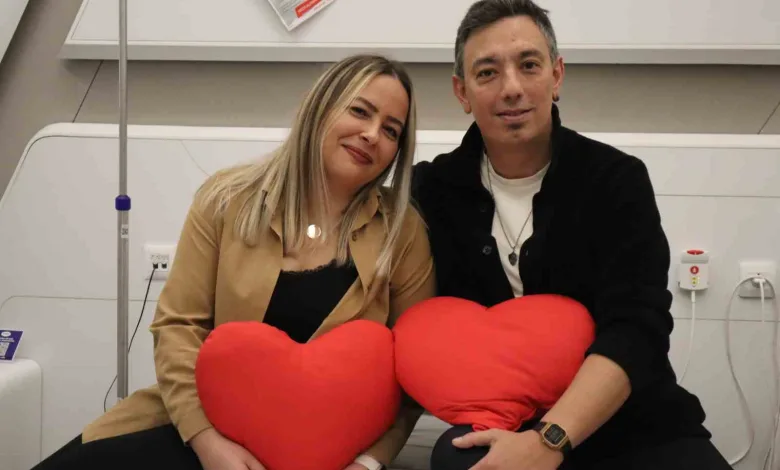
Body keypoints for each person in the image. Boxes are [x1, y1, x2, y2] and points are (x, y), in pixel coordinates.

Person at [31, 54, 434, 470]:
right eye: (360, 111)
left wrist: (369, 463)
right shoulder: (227, 200)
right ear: (321, 106)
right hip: (202, 427)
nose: (372, 134)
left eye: (391, 130)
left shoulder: (403, 232)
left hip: (331, 451)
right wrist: (207, 442)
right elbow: (178, 327)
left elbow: (412, 375)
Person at [410, 1, 732, 469]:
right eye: (487, 73)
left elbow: (638, 328)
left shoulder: (615, 179)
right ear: (462, 91)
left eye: (529, 65)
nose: (512, 88)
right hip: (504, 419)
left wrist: (549, 441)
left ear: (556, 75)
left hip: (631, 423)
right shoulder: (432, 190)